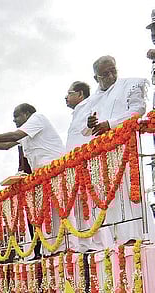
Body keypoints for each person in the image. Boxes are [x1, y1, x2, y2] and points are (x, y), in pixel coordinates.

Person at [0, 103, 66, 257]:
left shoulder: (37, 119)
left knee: (59, 210)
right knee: (46, 214)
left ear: (27, 114)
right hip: (41, 176)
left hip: (56, 170)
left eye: (16, 116)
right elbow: (7, 145)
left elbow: (14, 136)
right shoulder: (26, 132)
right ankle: (51, 248)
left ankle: (65, 246)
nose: (14, 120)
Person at [85, 55, 152, 245]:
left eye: (113, 70)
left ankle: (137, 235)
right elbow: (87, 129)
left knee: (130, 189)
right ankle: (118, 239)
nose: (111, 76)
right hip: (103, 152)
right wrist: (90, 124)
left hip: (125, 146)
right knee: (110, 195)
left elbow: (138, 109)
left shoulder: (131, 84)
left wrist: (111, 124)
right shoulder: (93, 99)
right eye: (105, 74)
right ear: (96, 78)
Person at [64, 81, 112, 252]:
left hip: (88, 162)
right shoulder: (77, 112)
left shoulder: (90, 105)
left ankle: (99, 245)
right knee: (79, 206)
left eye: (69, 93)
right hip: (74, 166)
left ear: (80, 94)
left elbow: (91, 130)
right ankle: (85, 244)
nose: (65, 97)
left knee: (93, 203)